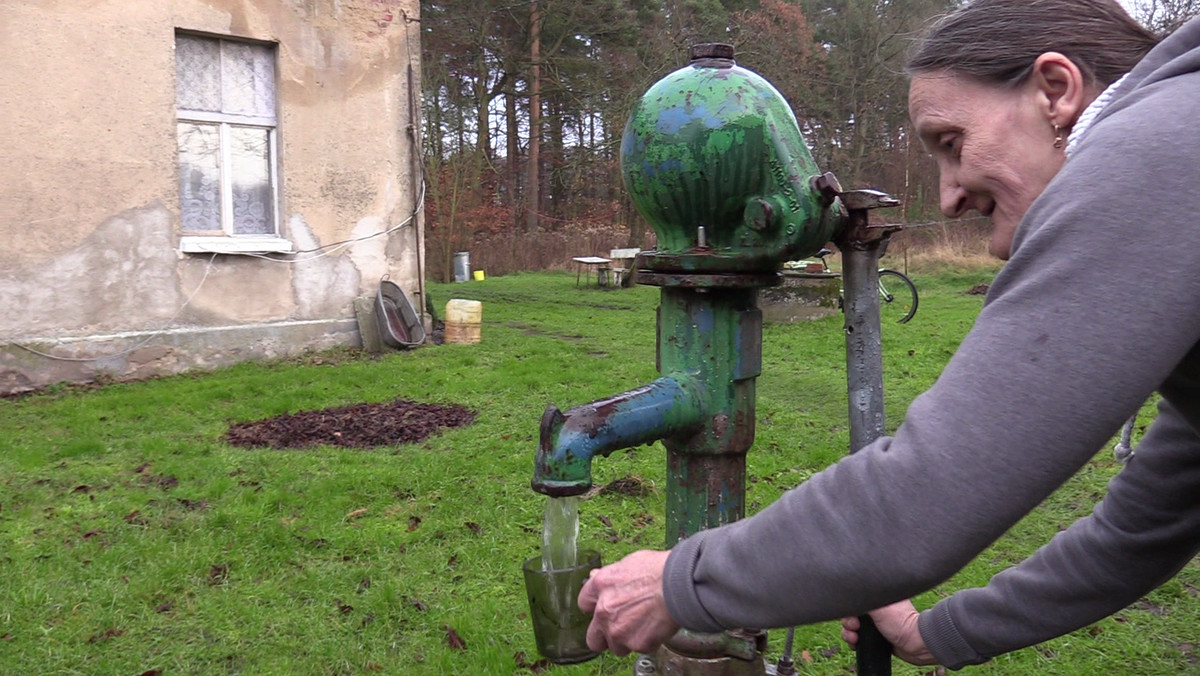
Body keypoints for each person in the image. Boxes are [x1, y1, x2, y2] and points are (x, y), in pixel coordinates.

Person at [578, 0, 1200, 669]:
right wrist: (944, 632)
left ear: (1056, 90)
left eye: (952, 144)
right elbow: (1152, 520)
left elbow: (934, 487)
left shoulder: (1158, 145)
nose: (948, 197)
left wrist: (681, 582)